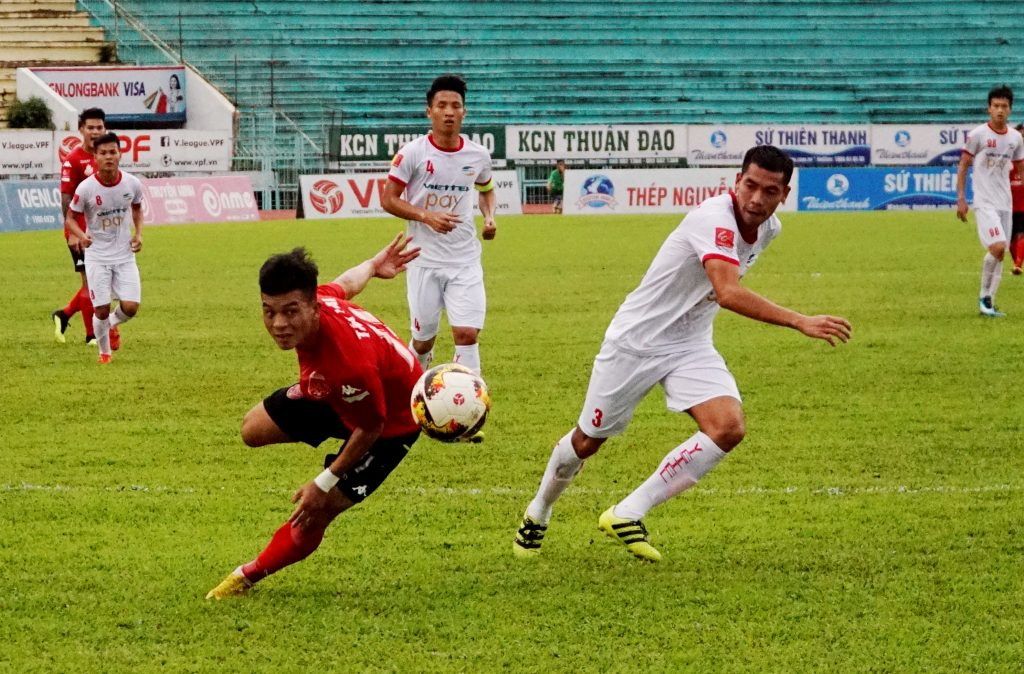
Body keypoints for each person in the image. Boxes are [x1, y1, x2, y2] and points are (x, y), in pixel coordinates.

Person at [512, 145, 852, 562]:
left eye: (769, 191)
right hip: (636, 341)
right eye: (750, 185)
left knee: (728, 427)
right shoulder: (714, 218)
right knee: (587, 441)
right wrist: (800, 320)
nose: (756, 199)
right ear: (736, 181)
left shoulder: (770, 228)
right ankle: (539, 511)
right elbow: (728, 292)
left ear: (784, 194)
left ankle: (627, 512)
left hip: (690, 343)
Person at [206, 234, 423, 599]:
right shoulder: (321, 300)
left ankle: (245, 577)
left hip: (391, 423)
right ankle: (321, 401)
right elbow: (347, 284)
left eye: (290, 312)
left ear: (312, 308)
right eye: (269, 311)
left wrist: (323, 481)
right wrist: (373, 265)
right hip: (337, 392)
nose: (278, 323)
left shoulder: (348, 365)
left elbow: (372, 425)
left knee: (315, 512)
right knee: (251, 429)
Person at [381, 74, 497, 383]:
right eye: (442, 105)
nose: (449, 112)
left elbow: (486, 189)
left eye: (455, 106)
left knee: (467, 334)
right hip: (424, 260)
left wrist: (489, 217)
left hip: (464, 259)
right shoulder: (412, 154)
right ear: (429, 111)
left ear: (464, 112)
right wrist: (426, 216)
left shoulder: (478, 155)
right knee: (423, 341)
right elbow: (388, 199)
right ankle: (412, 391)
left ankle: (470, 402)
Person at [63, 132, 144, 364]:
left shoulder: (132, 183)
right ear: (95, 157)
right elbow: (70, 218)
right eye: (103, 153)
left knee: (131, 307)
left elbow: (137, 208)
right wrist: (81, 236)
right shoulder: (86, 188)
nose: (108, 157)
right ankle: (105, 353)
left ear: (120, 154)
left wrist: (139, 234)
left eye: (112, 152)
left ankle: (109, 324)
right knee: (101, 308)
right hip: (97, 256)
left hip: (124, 255)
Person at [956, 85, 1024, 316]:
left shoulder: (1016, 138)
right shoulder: (978, 135)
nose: (1000, 110)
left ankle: (989, 305)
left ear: (1010, 109)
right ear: (989, 108)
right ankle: (984, 295)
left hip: (1006, 202)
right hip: (984, 201)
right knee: (998, 246)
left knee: (1001, 253)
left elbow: (1021, 169)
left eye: (1004, 106)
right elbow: (963, 166)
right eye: (996, 106)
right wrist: (961, 198)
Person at [51, 107, 108, 346]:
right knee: (90, 282)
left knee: (102, 280)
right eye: (90, 127)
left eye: (99, 127)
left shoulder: (106, 155)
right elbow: (66, 199)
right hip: (79, 231)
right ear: (81, 130)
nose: (95, 132)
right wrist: (73, 233)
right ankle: (91, 335)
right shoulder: (73, 160)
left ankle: (63, 314)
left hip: (101, 230)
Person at [1011, 123, 1024, 275]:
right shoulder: (1007, 157)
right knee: (1009, 238)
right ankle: (1017, 262)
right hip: (1008, 204)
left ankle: (1018, 264)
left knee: (1021, 233)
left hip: (1022, 203)